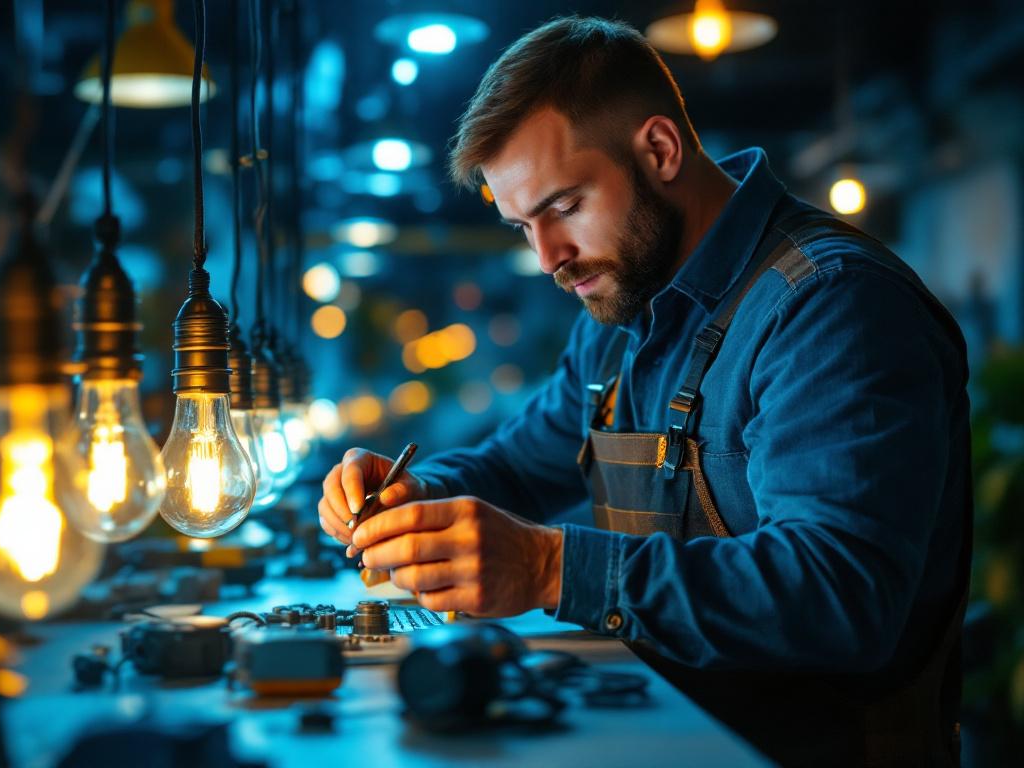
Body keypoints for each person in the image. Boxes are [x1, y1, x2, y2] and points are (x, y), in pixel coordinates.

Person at [316, 15, 970, 766]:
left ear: (659, 150)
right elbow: (517, 467)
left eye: (563, 208)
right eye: (523, 226)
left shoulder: (828, 305)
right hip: (663, 735)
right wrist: (414, 496)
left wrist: (547, 567)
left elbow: (838, 595)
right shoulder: (619, 309)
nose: (551, 257)